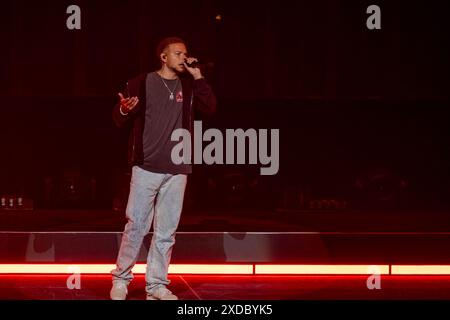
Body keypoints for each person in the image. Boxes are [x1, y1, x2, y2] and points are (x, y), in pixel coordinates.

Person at [110, 37, 216, 300]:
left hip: (178, 168)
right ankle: (121, 279)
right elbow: (118, 118)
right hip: (146, 167)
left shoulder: (189, 86)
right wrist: (124, 110)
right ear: (163, 57)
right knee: (136, 226)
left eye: (186, 53)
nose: (184, 57)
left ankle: (156, 285)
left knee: (166, 231)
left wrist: (199, 77)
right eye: (178, 53)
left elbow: (210, 107)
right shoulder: (142, 83)